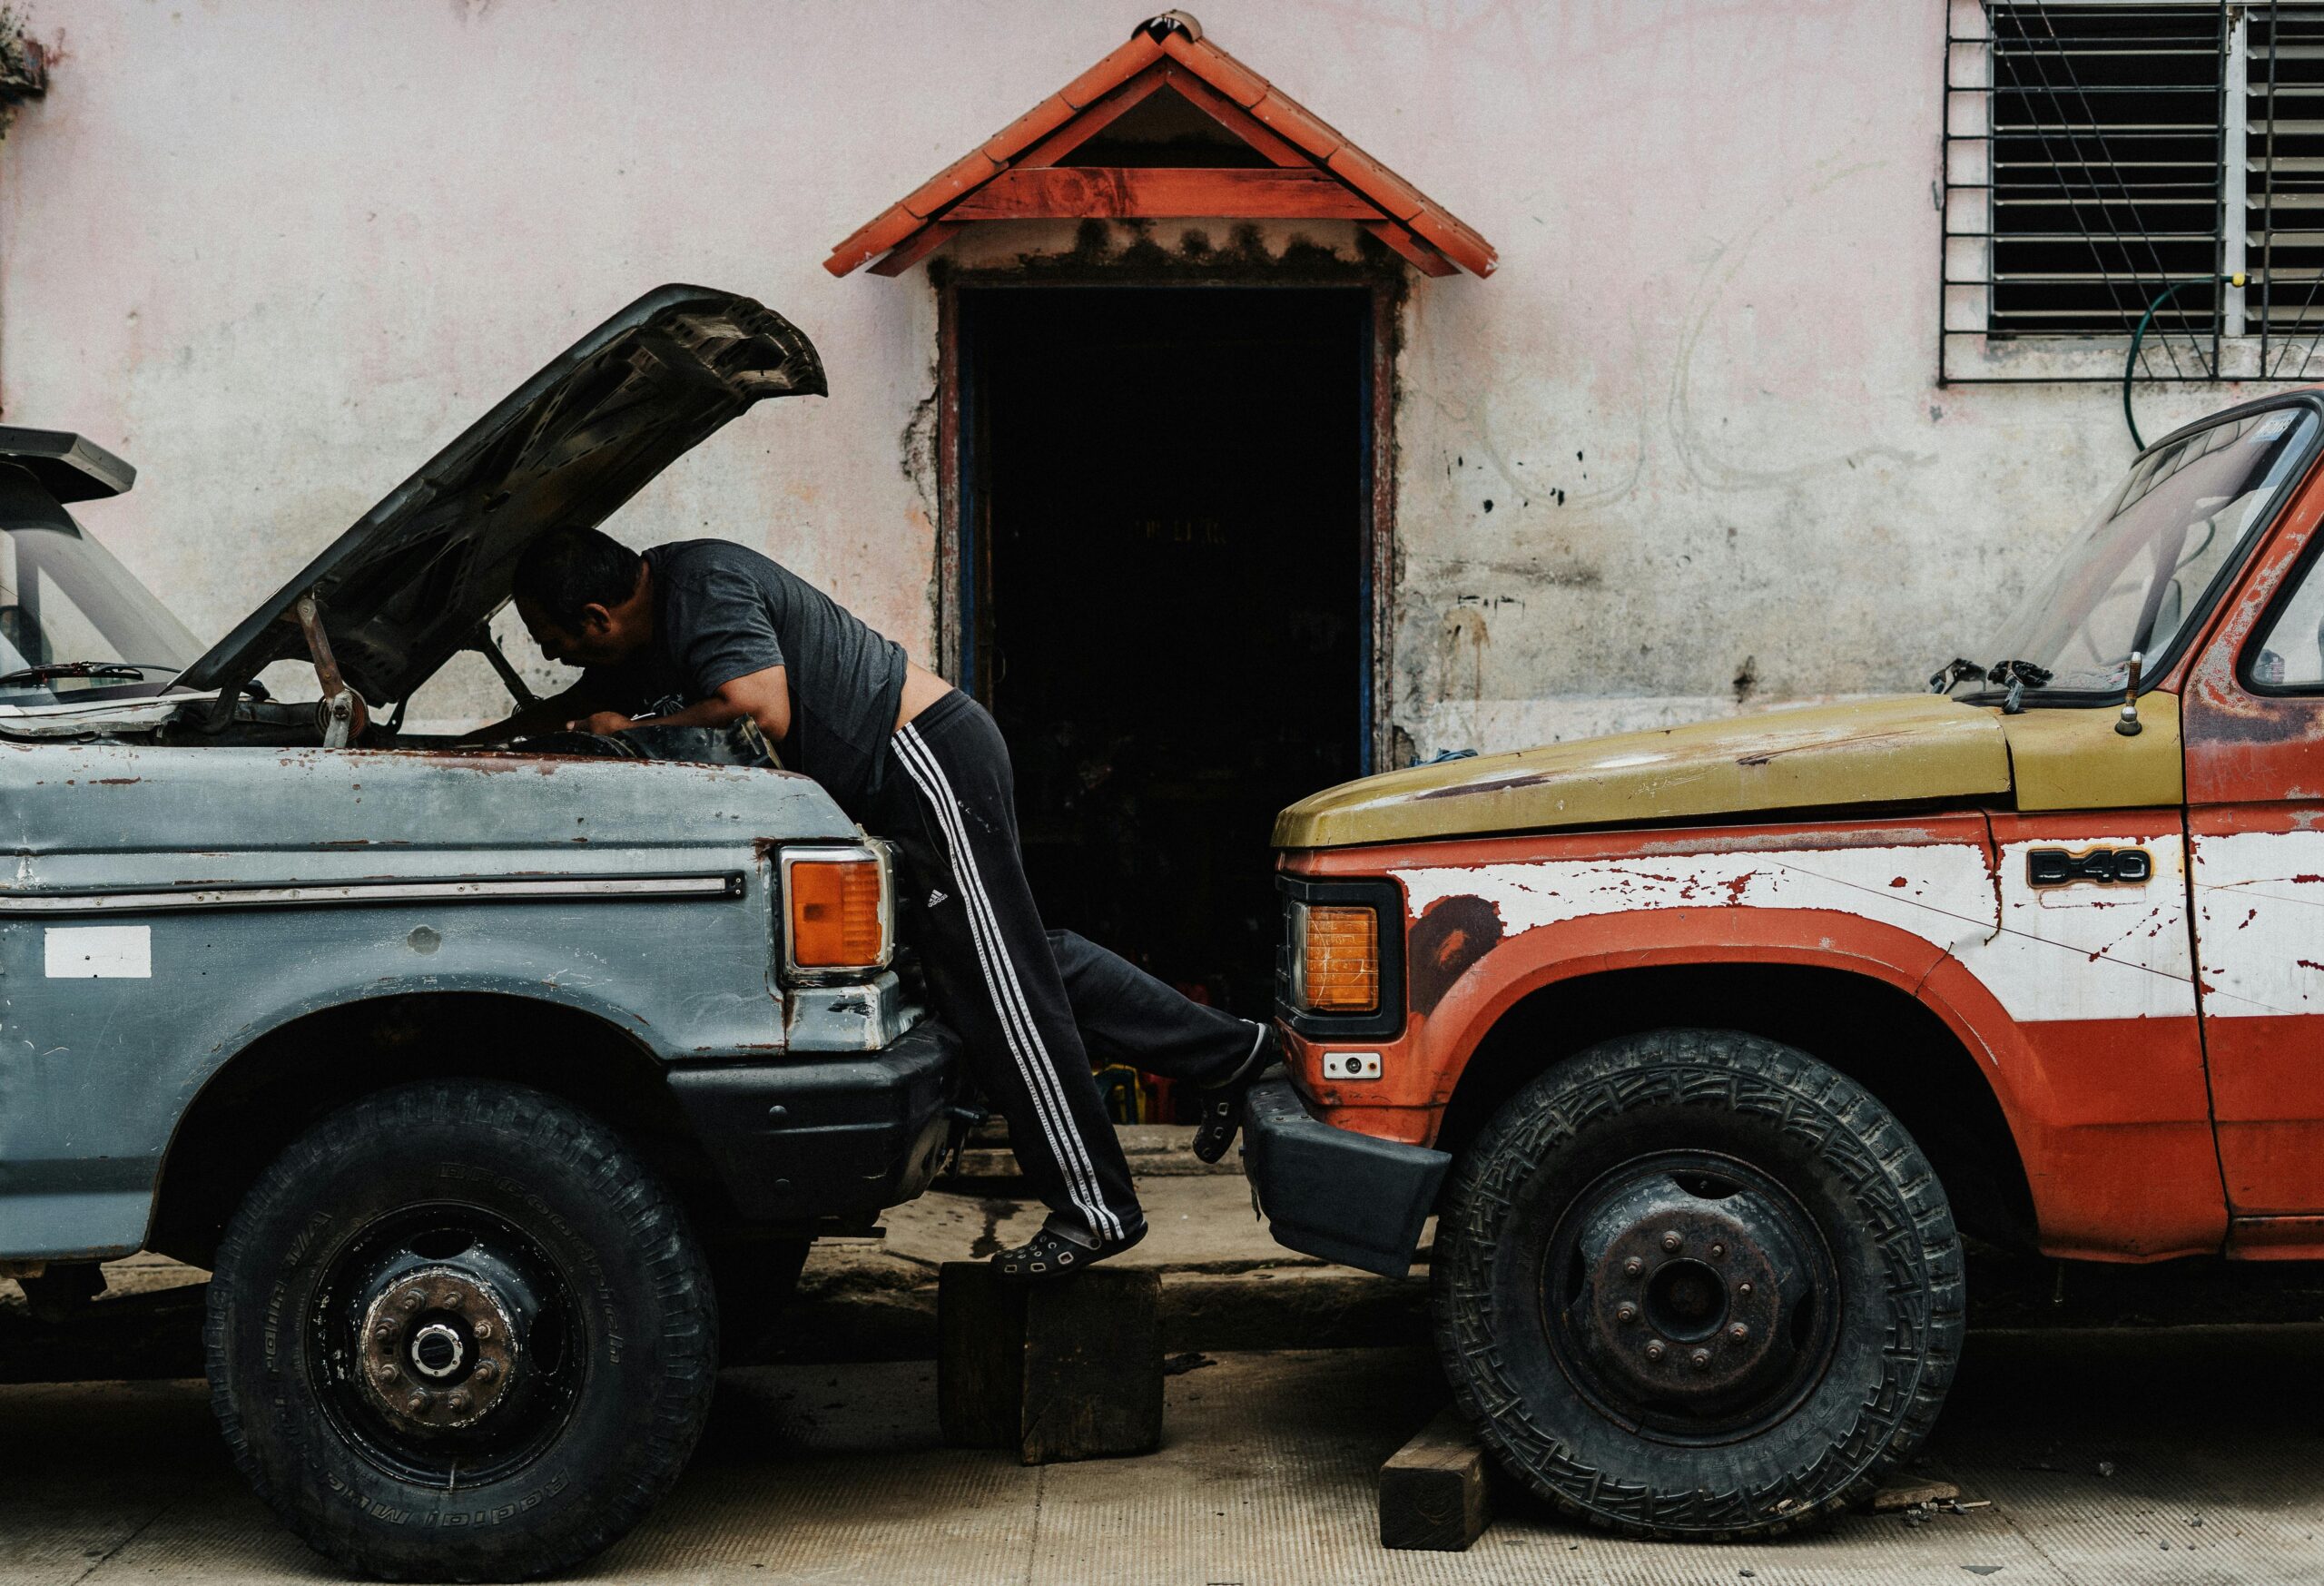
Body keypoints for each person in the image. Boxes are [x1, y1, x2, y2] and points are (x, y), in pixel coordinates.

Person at [477, 528, 1275, 1281]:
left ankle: (1096, 1208)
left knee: (997, 984)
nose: (553, 658)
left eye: (555, 642)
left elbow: (760, 708)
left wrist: (633, 728)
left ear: (597, 617)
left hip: (925, 757)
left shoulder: (703, 586)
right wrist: (474, 745)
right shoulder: (639, 637)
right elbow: (569, 712)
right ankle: (1233, 1056)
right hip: (902, 773)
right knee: (1017, 961)